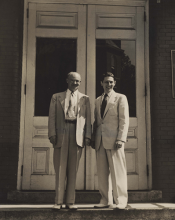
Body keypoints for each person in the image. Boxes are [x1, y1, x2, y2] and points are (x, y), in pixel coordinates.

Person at [48, 72, 91, 210]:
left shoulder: (85, 98)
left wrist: (87, 136)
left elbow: (88, 119)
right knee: (60, 168)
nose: (76, 83)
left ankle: (70, 202)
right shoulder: (56, 97)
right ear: (67, 80)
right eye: (73, 80)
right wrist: (52, 134)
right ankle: (58, 201)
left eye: (78, 81)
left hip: (77, 133)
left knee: (73, 169)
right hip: (61, 132)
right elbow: (52, 117)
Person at [92, 72, 129, 210]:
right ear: (101, 83)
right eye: (106, 82)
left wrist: (121, 138)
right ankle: (105, 199)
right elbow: (97, 122)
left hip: (115, 141)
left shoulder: (120, 98)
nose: (109, 85)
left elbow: (124, 120)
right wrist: (93, 138)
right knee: (102, 173)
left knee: (117, 171)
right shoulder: (97, 100)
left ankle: (121, 200)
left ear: (115, 83)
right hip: (100, 141)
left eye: (111, 82)